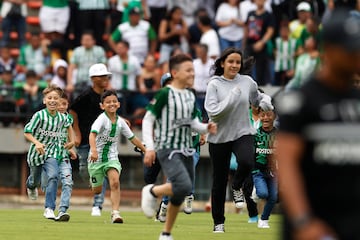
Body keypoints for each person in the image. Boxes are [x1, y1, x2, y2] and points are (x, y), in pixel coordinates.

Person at [276, 9, 360, 240]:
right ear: (330, 50)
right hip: (313, 227)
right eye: (352, 50)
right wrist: (303, 221)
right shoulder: (300, 101)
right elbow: (287, 166)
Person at [141, 54, 217, 240]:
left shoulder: (190, 96)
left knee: (182, 190)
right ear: (175, 73)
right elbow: (147, 120)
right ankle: (151, 191)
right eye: (189, 70)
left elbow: (191, 122)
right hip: (168, 147)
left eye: (193, 70)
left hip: (187, 149)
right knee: (182, 185)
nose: (193, 73)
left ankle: (166, 233)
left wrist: (205, 128)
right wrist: (150, 147)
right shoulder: (164, 94)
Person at [204, 47, 273, 233]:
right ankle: (218, 223)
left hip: (242, 132)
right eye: (231, 61)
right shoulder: (214, 84)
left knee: (246, 161)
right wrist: (232, 97)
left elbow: (256, 98)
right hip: (219, 137)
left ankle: (236, 186)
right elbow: (214, 113)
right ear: (222, 64)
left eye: (237, 62)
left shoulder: (247, 81)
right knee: (218, 181)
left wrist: (265, 100)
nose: (235, 65)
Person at [88, 90, 146, 223]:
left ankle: (115, 213)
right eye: (108, 102)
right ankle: (94, 181)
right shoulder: (101, 119)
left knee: (115, 182)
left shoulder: (121, 122)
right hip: (96, 158)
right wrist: (94, 150)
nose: (112, 104)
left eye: (114, 101)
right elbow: (92, 134)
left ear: (119, 104)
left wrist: (145, 150)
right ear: (102, 106)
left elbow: (132, 138)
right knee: (97, 190)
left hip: (112, 157)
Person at [24, 85, 74, 219]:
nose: (53, 100)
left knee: (53, 175)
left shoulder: (63, 118)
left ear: (59, 101)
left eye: (56, 98)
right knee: (35, 179)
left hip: (51, 153)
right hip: (36, 154)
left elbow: (69, 126)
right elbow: (27, 132)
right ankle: (30, 185)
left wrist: (72, 141)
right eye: (50, 98)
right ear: (44, 100)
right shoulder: (39, 116)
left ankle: (49, 208)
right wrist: (37, 143)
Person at [69, 63, 111, 217]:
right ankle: (96, 186)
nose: (105, 79)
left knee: (101, 170)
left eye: (106, 76)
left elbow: (112, 112)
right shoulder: (85, 96)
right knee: (84, 170)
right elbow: (72, 111)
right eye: (102, 76)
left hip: (103, 140)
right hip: (86, 138)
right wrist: (77, 133)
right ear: (94, 79)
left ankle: (97, 205)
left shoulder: (109, 95)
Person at [51, 92, 76, 221]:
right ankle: (48, 208)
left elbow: (70, 135)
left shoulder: (68, 119)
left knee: (67, 182)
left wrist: (71, 148)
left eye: (64, 104)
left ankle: (62, 210)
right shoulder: (48, 118)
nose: (61, 107)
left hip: (63, 156)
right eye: (59, 103)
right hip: (49, 156)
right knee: (49, 182)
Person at [252, 107, 277, 228]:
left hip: (273, 172)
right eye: (263, 115)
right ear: (260, 117)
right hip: (258, 171)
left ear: (274, 116)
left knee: (274, 197)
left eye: (268, 115)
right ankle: (256, 190)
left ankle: (264, 220)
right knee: (263, 194)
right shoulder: (255, 134)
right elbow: (250, 153)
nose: (266, 118)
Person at [243, 0, 275, 86]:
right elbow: (246, 29)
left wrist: (262, 42)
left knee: (260, 71)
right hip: (250, 45)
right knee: (246, 67)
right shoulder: (250, 13)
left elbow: (270, 30)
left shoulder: (268, 15)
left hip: (261, 46)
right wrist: (244, 43)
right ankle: (246, 87)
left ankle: (260, 91)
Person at [66, 31, 107, 98]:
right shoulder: (77, 51)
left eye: (88, 40)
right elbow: (71, 68)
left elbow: (104, 67)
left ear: (93, 41)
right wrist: (70, 83)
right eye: (83, 40)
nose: (85, 42)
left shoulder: (99, 50)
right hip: (79, 83)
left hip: (94, 84)